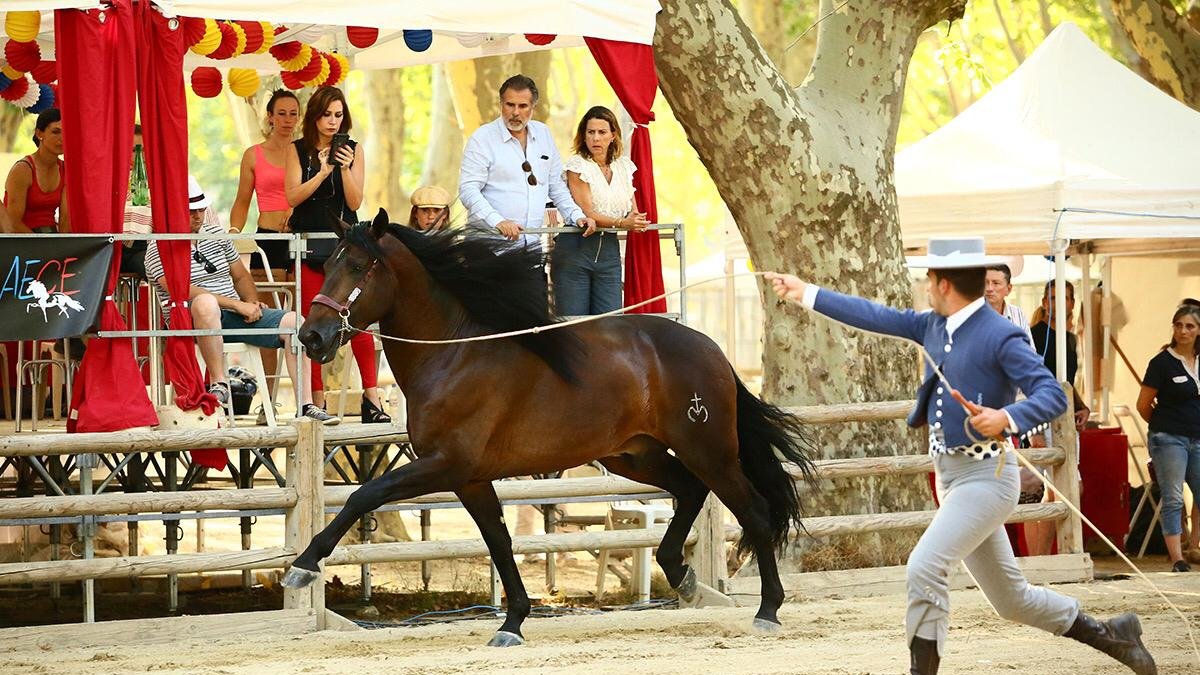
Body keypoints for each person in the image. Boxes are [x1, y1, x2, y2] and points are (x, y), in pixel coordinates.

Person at [764, 237, 1156, 675]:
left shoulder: (1001, 334)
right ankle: (1115, 635)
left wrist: (1007, 417)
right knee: (1011, 599)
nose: (926, 286)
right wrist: (806, 292)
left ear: (944, 284)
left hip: (987, 478)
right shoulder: (934, 324)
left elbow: (1051, 394)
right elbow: (875, 315)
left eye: (929, 279)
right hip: (953, 480)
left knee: (924, 567)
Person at [143, 176, 337, 425]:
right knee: (205, 303)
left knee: (295, 321)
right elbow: (181, 290)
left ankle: (305, 405)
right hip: (190, 320)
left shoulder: (215, 233)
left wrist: (251, 302)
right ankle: (219, 383)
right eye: (191, 212)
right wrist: (237, 304)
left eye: (201, 210)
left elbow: (241, 275)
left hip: (233, 314)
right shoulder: (158, 246)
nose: (199, 216)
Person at [285, 86, 388, 424]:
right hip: (309, 244)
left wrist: (343, 168)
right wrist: (323, 172)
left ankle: (372, 397)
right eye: (326, 114)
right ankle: (317, 400)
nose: (332, 121)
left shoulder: (354, 150)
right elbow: (292, 197)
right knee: (311, 322)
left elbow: (356, 202)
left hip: (345, 247)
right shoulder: (297, 150)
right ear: (315, 116)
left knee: (358, 320)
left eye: (338, 115)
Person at [458, 74, 594, 248]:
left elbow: (556, 187)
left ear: (533, 107)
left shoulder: (544, 134)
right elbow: (468, 189)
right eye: (510, 105)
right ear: (501, 104)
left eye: (523, 106)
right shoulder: (482, 138)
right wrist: (498, 221)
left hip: (531, 247)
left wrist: (577, 216)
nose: (515, 112)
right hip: (488, 247)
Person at [553, 105, 649, 315]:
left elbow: (632, 209)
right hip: (576, 249)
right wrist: (623, 223)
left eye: (602, 132)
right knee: (575, 324)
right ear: (584, 135)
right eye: (591, 132)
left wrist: (636, 219)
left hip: (609, 252)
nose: (596, 138)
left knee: (611, 322)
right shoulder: (577, 166)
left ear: (613, 135)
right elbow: (588, 213)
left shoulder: (623, 166)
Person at [1136, 302, 1200, 573]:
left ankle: (1194, 546)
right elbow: (1143, 405)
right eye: (1178, 325)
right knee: (1173, 496)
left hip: (1197, 437)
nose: (1183, 331)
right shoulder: (1161, 363)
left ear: (1198, 330)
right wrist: (1163, 428)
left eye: (1190, 326)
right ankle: (1177, 559)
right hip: (1169, 437)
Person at [231, 89, 299, 277]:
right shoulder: (253, 155)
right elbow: (242, 201)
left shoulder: (306, 153)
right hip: (268, 236)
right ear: (270, 116)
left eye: (293, 114)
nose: (288, 120)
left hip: (301, 236)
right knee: (266, 296)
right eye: (282, 113)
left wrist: (294, 207)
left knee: (301, 295)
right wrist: (233, 232)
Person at [1030, 280, 1090, 431]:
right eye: (1053, 298)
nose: (1059, 304)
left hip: (1065, 418)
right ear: (1044, 302)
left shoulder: (1071, 339)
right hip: (1039, 418)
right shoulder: (1032, 337)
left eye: (1064, 298)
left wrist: (1081, 407)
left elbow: (1066, 381)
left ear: (1072, 303)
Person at [3, 108, 69, 234]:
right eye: (55, 132)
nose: (62, 138)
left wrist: (63, 245)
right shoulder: (23, 170)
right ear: (39, 134)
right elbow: (12, 222)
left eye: (65, 132)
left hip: (51, 236)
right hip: (22, 237)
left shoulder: (65, 170)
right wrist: (40, 243)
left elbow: (65, 219)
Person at [984, 264, 1031, 343]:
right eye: (985, 283)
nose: (989, 288)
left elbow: (1029, 348)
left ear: (1008, 289)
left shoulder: (1017, 313)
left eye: (996, 283)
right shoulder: (971, 315)